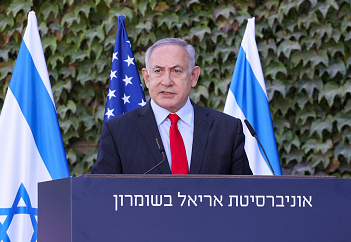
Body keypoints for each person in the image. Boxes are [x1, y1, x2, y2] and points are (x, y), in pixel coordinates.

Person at [91, 38, 252, 175]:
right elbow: (101, 196)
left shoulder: (227, 129)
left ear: (193, 77)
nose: (166, 81)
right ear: (147, 78)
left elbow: (245, 198)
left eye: (176, 71)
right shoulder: (118, 131)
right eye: (158, 71)